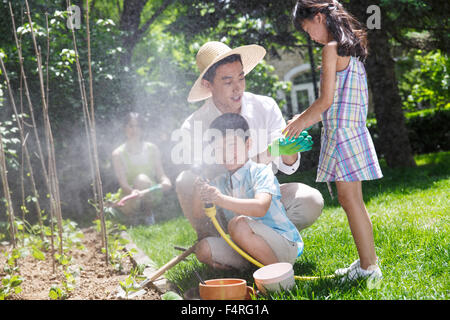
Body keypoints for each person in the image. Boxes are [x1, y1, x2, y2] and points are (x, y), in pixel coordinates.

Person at [174, 41, 324, 243]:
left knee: (310, 201)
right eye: (227, 82)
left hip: (261, 197)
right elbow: (216, 174)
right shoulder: (194, 125)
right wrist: (269, 152)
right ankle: (211, 238)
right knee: (185, 179)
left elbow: (287, 168)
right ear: (207, 85)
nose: (238, 88)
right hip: (221, 205)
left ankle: (264, 240)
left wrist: (288, 148)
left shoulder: (265, 106)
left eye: (241, 78)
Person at [284, 0, 383, 281]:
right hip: (353, 133)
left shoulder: (331, 49)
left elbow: (325, 101)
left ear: (318, 17)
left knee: (350, 200)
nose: (311, 37)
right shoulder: (351, 48)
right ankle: (368, 262)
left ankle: (369, 268)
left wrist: (296, 123)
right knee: (352, 200)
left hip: (342, 136)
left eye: (308, 29)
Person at [194, 113, 303, 269]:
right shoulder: (220, 181)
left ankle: (278, 275)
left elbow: (260, 207)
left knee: (237, 224)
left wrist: (220, 199)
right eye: (219, 148)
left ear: (248, 144)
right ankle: (253, 266)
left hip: (281, 245)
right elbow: (199, 214)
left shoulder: (260, 171)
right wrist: (201, 190)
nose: (226, 153)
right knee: (203, 249)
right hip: (246, 245)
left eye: (232, 145)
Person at [112, 112, 172, 225]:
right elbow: (123, 184)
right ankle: (134, 217)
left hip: (150, 191)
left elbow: (161, 174)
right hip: (129, 194)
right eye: (131, 126)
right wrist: (133, 192)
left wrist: (165, 181)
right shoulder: (118, 154)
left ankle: (148, 214)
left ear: (142, 129)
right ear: (125, 128)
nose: (134, 130)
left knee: (142, 180)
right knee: (139, 183)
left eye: (138, 126)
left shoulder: (152, 149)